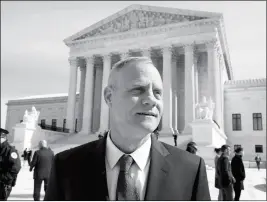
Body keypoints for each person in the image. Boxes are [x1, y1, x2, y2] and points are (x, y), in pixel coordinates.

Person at [44, 57, 211, 200]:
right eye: (138, 90)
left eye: (158, 92)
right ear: (109, 97)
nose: (151, 100)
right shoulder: (66, 166)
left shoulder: (190, 170)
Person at [0, 128, 21, 200]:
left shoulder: (10, 150)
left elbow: (16, 167)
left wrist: (4, 178)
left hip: (3, 184)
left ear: (3, 138)